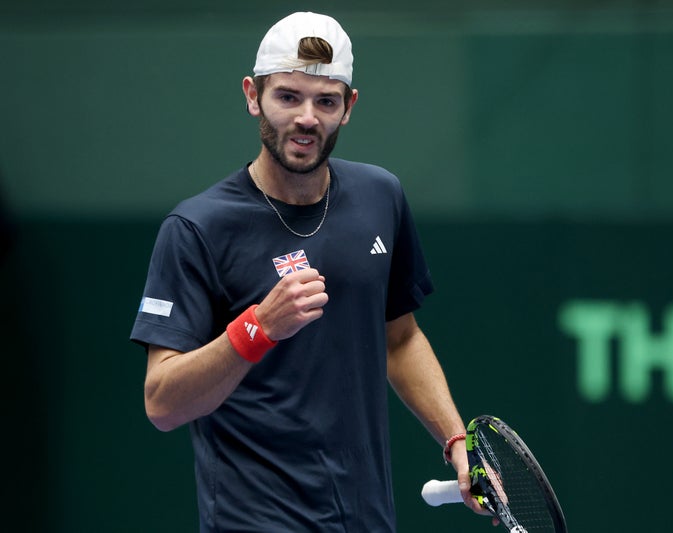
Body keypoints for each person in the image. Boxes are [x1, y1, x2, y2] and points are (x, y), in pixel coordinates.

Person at [131, 11, 482, 532]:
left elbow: (400, 339)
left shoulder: (379, 195)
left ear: (349, 107)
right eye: (288, 97)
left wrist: (456, 442)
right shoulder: (196, 228)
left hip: (366, 520)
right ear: (253, 95)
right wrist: (258, 329)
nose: (306, 118)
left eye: (326, 101)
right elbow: (161, 402)